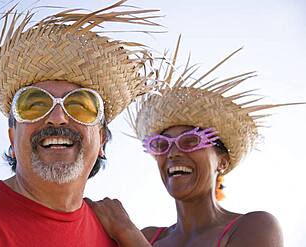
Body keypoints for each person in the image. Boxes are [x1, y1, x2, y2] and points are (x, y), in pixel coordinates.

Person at [0, 1, 160, 246]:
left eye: (80, 105)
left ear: (102, 140)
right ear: (12, 139)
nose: (57, 117)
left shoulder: (116, 239)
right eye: (34, 104)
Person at [86, 37, 303, 246]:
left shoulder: (255, 226)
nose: (172, 153)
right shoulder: (150, 237)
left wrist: (127, 233)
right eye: (161, 144)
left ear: (223, 161)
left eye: (190, 141)